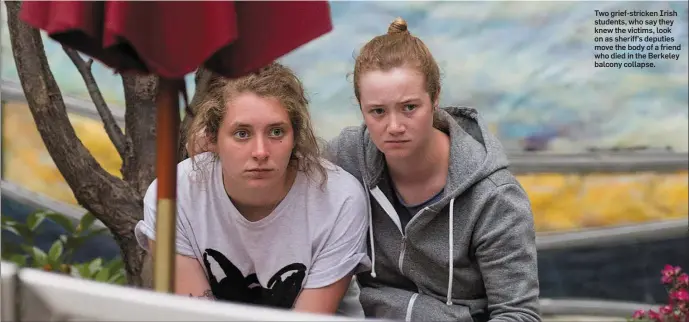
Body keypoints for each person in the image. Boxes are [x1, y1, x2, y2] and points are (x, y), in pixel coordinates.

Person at [326, 18, 541, 322]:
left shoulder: (494, 197)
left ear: (435, 98)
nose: (394, 126)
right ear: (361, 108)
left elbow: (518, 314)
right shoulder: (348, 157)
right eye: (377, 112)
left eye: (409, 107)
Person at [135, 62, 371, 316]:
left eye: (276, 131)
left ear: (296, 137)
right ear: (213, 138)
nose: (260, 152)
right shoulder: (175, 194)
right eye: (242, 134)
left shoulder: (339, 200)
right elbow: (196, 317)